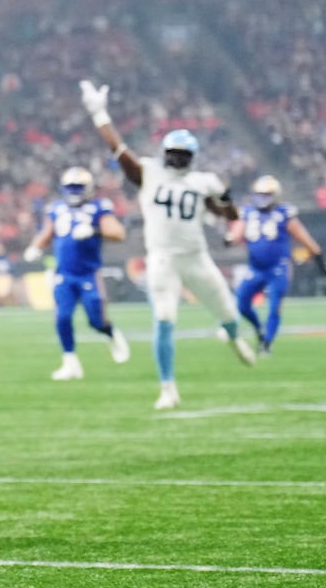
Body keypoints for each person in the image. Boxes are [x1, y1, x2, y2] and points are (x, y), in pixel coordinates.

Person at [79, 80, 255, 410]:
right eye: (172, 154)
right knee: (163, 319)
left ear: (190, 157)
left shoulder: (201, 182)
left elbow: (229, 214)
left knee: (228, 312)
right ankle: (168, 387)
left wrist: (225, 196)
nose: (175, 159)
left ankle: (234, 338)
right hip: (162, 260)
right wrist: (99, 114)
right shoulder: (149, 173)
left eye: (181, 155)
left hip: (196, 258)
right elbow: (118, 150)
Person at [22, 166, 132, 380]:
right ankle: (70, 361)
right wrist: (35, 247)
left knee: (96, 320)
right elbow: (47, 232)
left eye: (78, 187)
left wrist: (94, 230)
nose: (74, 191)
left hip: (89, 273)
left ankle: (110, 334)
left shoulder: (99, 207)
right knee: (62, 317)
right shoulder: (56, 208)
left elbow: (118, 233)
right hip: (64, 274)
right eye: (70, 187)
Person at [231, 175, 326, 356]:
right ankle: (259, 329)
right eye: (259, 194)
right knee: (241, 303)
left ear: (275, 195)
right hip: (255, 268)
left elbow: (302, 236)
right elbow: (236, 233)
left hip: (277, 268)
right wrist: (229, 238)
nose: (262, 198)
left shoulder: (284, 213)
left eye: (266, 194)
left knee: (274, 306)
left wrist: (319, 257)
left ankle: (267, 343)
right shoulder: (248, 212)